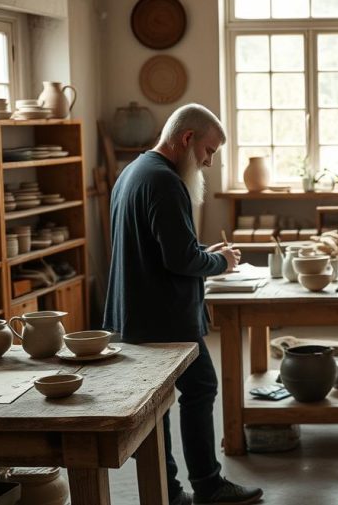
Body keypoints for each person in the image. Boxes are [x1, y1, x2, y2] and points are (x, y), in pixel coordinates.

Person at [103, 103, 263, 505]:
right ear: (187, 138)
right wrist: (219, 261)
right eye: (208, 151)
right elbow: (179, 260)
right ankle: (207, 485)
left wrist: (202, 250)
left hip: (136, 313)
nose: (208, 162)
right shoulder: (166, 182)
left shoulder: (133, 172)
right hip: (165, 319)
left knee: (161, 406)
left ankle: (170, 492)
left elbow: (162, 248)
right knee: (198, 389)